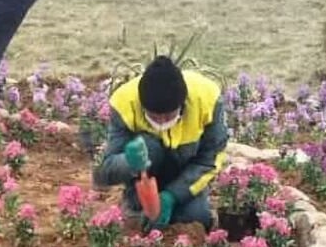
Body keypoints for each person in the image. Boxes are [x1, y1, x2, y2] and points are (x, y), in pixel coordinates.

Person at [93, 55, 228, 231]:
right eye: (154, 117)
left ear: (182, 105)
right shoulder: (124, 103)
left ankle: (177, 200)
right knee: (141, 223)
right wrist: (128, 162)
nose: (162, 122)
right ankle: (135, 201)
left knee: (196, 220)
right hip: (145, 178)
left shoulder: (207, 99)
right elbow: (104, 172)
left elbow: (209, 160)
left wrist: (172, 196)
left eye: (169, 116)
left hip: (186, 174)